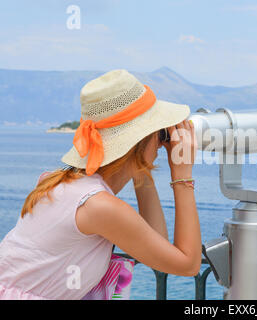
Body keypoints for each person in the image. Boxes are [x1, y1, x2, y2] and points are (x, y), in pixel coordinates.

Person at [0, 70, 201, 299]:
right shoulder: (99, 207)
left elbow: (158, 249)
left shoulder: (64, 184)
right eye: (158, 132)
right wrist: (183, 174)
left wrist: (140, 166)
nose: (161, 140)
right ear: (139, 140)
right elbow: (188, 264)